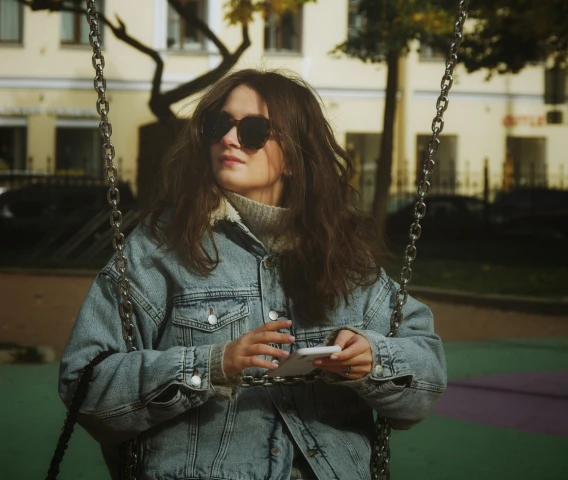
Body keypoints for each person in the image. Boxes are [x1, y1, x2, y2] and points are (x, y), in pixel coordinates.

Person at [59, 69, 447, 480]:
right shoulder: (161, 247)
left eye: (254, 130)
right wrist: (212, 365)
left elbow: (426, 381)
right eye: (218, 125)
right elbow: (84, 384)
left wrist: (372, 361)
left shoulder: (341, 254)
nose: (228, 139)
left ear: (295, 158)